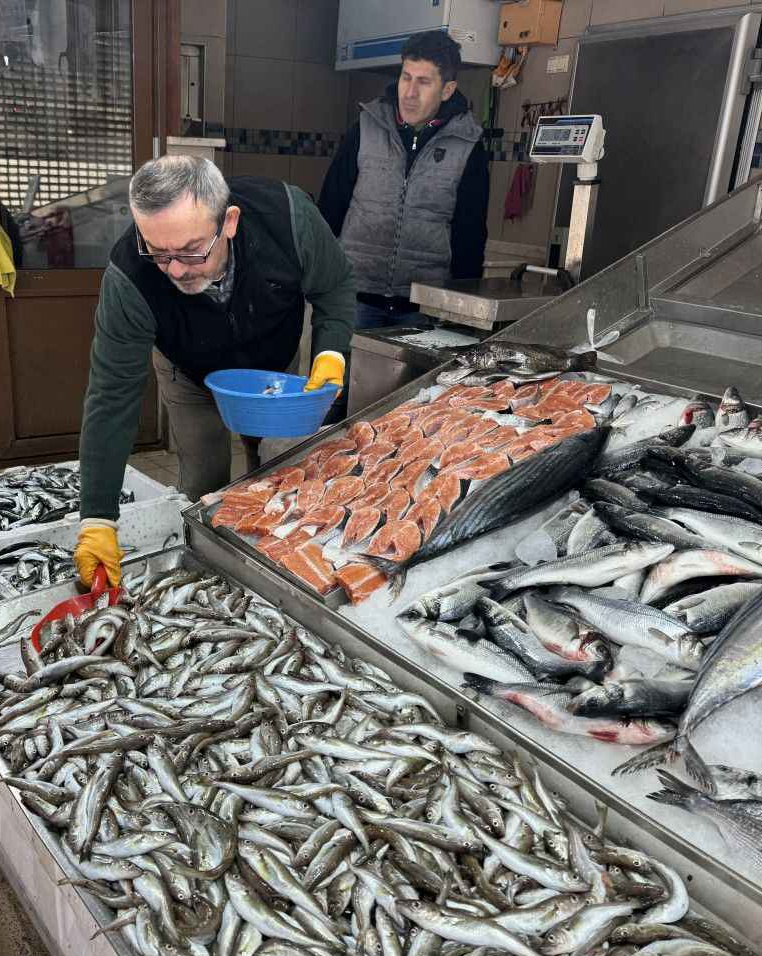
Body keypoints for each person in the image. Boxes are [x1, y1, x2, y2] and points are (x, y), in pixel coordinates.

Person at [73, 156, 355, 587]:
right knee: (203, 483)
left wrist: (331, 351)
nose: (176, 270)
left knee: (282, 474)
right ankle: (210, 582)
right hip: (189, 373)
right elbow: (112, 396)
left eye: (190, 250)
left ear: (230, 221)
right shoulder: (129, 276)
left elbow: (334, 287)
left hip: (272, 372)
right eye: (158, 254)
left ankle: (275, 581)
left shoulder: (288, 218)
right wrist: (97, 516)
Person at [319, 30, 490, 330]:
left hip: (424, 308)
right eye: (406, 77)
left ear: (447, 89)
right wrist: (319, 281)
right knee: (342, 377)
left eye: (423, 82)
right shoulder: (366, 127)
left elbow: (470, 233)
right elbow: (331, 206)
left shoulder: (468, 144)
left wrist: (461, 312)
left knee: (415, 380)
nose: (409, 93)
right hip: (354, 298)